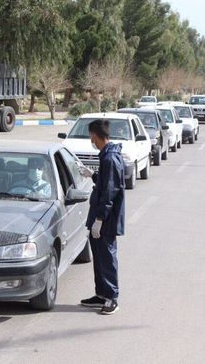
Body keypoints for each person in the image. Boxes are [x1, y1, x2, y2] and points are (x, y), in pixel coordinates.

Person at [78, 119, 125, 315]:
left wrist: (100, 219)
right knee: (99, 257)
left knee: (106, 257)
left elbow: (110, 193)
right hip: (100, 217)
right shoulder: (106, 156)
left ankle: (112, 297)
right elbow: (105, 182)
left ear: (95, 136)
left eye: (91, 136)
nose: (91, 139)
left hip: (105, 220)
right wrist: (93, 175)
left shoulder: (110, 159)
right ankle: (101, 294)